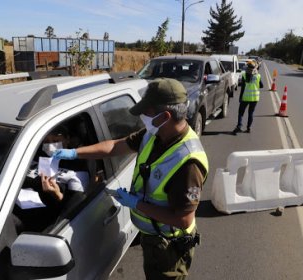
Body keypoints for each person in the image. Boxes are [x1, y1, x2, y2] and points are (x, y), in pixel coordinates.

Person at [53, 78, 209, 280]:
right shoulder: (155, 133)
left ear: (165, 116)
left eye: (147, 113)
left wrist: (136, 204)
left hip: (169, 248)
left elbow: (182, 219)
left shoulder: (188, 162)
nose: (143, 117)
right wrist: (74, 153)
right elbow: (117, 146)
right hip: (153, 235)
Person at [14, 124, 89, 232]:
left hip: (44, 222)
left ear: (67, 140)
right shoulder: (31, 155)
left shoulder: (77, 168)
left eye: (55, 140)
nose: (50, 145)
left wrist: (56, 195)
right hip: (13, 208)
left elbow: (74, 208)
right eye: (46, 141)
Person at [232, 60, 264, 135]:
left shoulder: (244, 75)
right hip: (255, 98)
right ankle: (248, 128)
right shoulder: (258, 76)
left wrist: (240, 98)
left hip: (245, 97)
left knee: (241, 112)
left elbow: (242, 88)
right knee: (251, 113)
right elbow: (262, 86)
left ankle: (239, 126)